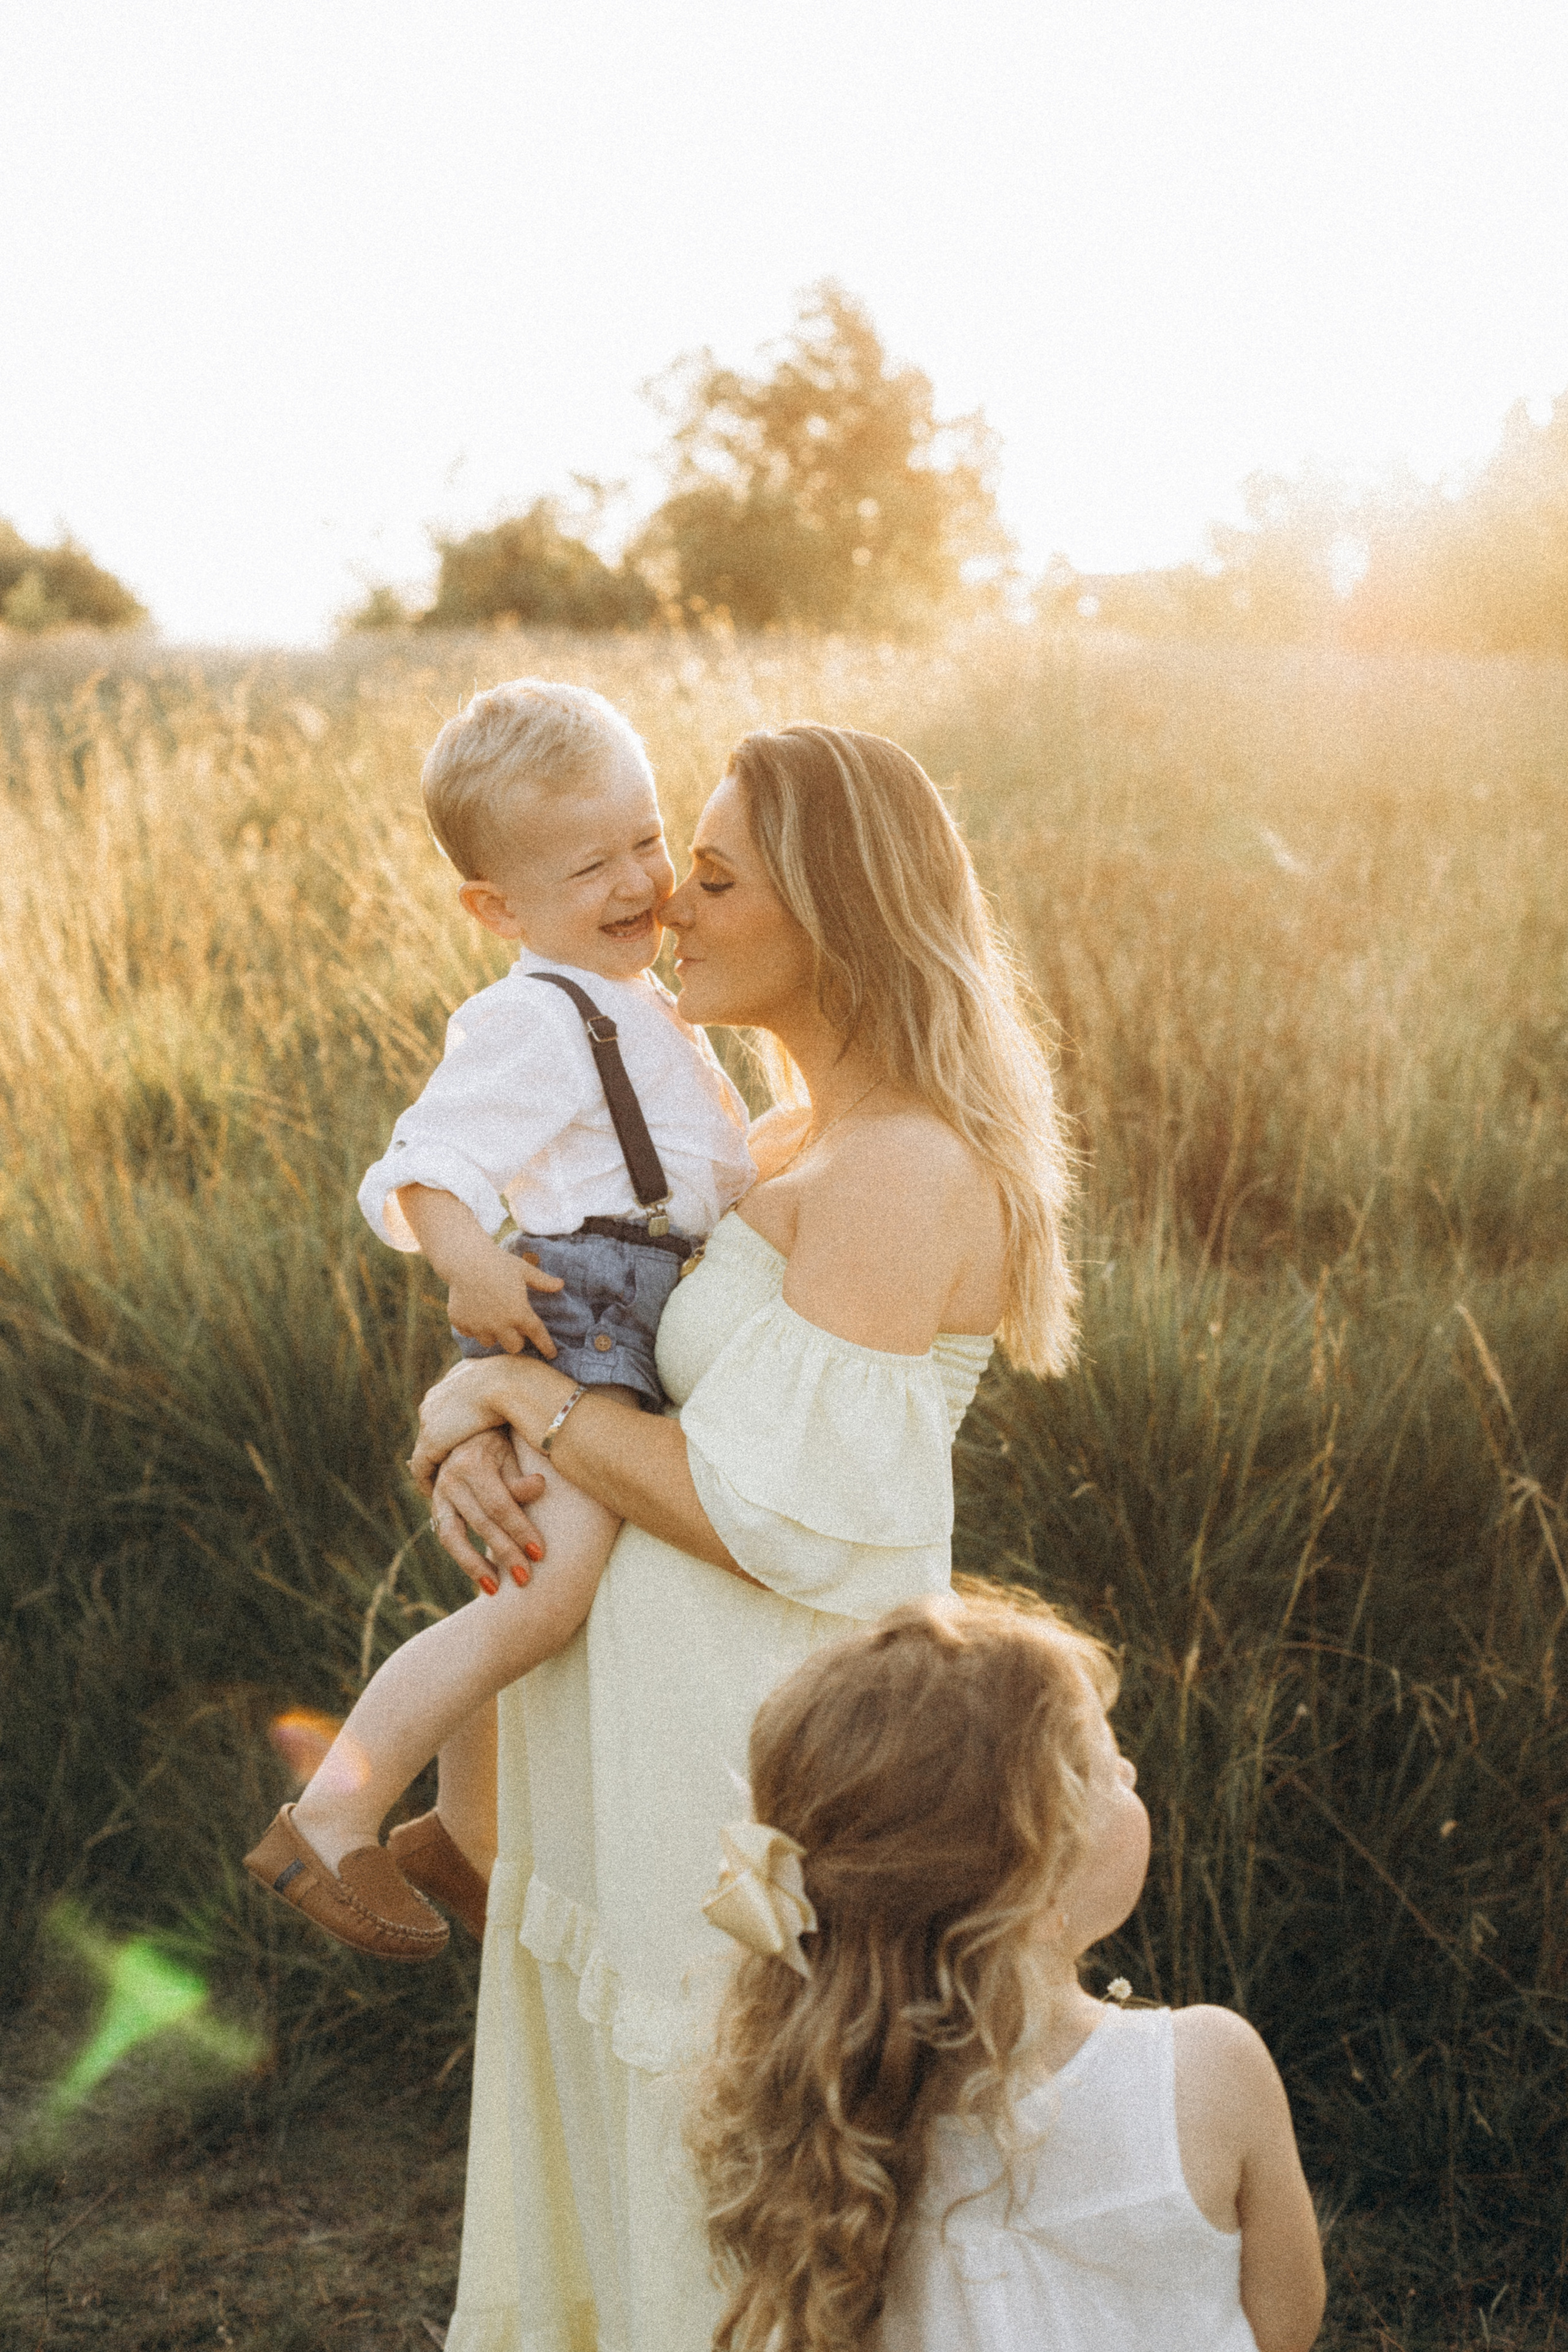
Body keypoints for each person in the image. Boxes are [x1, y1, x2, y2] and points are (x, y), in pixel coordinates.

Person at [408, 722, 1079, 2352]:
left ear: (835, 909)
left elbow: (775, 1518)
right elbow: (600, 1372)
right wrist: (469, 1424)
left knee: (718, 2198)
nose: (665, 906)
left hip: (748, 1782)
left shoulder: (904, 1168)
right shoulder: (770, 1148)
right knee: (630, 2178)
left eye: (711, 877)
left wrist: (525, 1402)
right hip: (633, 1757)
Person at [244, 680, 755, 1955]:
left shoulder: (635, 1000)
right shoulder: (535, 1016)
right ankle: (332, 1816)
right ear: (496, 909)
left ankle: (464, 1836)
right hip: (579, 1313)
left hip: (630, 1310)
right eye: (589, 866)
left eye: (647, 839)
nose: (638, 880)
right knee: (543, 1594)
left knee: (519, 1573)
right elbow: (422, 1164)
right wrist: (471, 1264)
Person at [690, 1583, 1327, 2352]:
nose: (1130, 1773)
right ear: (1034, 1886)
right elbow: (1284, 2324)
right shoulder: (1208, 2070)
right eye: (1105, 1770)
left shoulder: (840, 2126)